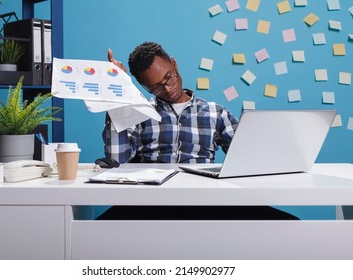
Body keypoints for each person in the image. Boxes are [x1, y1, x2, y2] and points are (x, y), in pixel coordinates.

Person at [95, 42, 298, 220]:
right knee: (93, 233)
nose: (167, 89)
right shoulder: (139, 113)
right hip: (151, 203)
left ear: (174, 64)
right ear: (143, 86)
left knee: (288, 225)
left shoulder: (215, 112)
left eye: (169, 78)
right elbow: (117, 160)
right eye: (155, 87)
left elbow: (247, 160)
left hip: (206, 202)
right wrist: (118, 93)